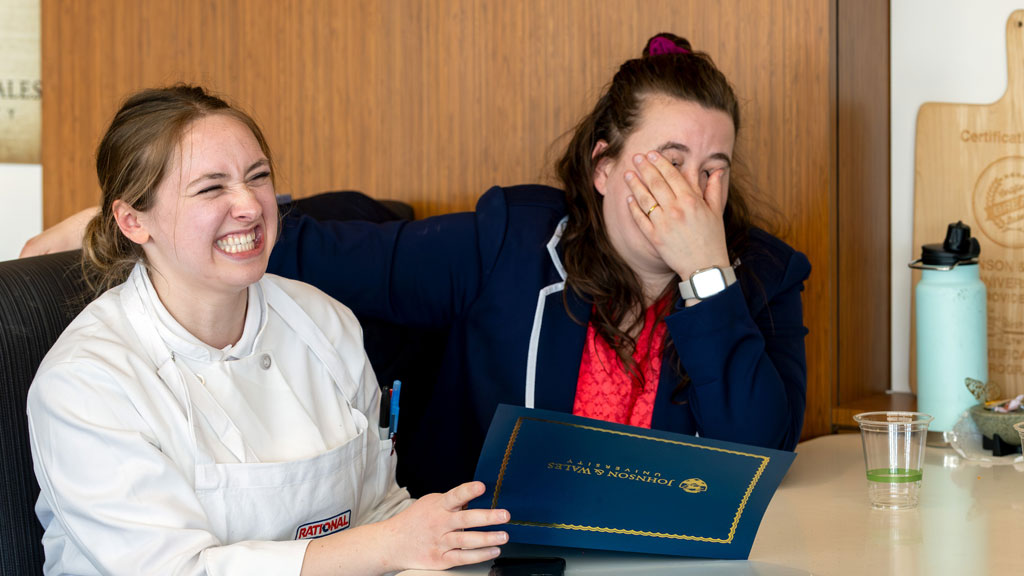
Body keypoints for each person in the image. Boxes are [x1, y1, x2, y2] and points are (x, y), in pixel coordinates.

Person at [23, 33, 812, 498]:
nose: (694, 190)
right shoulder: (510, 242)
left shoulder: (762, 276)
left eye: (715, 167)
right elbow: (321, 248)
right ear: (604, 167)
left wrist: (709, 275)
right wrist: (136, 220)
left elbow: (762, 459)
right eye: (669, 160)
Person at [26, 85, 508, 576]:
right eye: (211, 187)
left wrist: (429, 547)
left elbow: (376, 511)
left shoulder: (325, 323)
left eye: (258, 178)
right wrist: (386, 546)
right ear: (132, 221)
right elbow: (176, 571)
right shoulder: (86, 382)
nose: (251, 207)